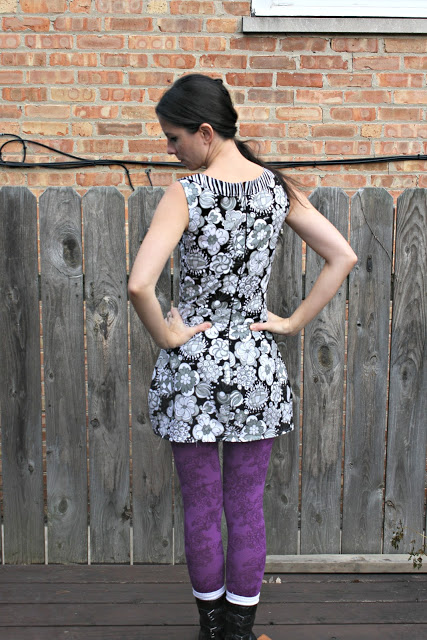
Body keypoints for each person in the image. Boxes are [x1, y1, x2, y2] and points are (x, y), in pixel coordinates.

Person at [128, 74, 357, 640]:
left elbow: (139, 285)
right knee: (247, 507)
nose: (170, 149)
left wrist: (169, 338)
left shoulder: (186, 193)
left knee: (202, 506)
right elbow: (343, 256)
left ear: (206, 132)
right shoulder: (276, 189)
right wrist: (292, 322)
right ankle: (239, 631)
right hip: (255, 367)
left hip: (193, 371)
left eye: (175, 138)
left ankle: (211, 629)